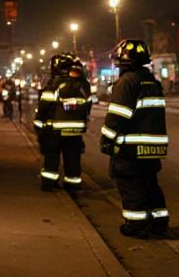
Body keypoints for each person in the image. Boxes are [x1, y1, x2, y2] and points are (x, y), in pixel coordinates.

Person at [100, 39, 169, 238]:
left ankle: (136, 225)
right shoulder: (152, 81)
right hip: (152, 148)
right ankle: (159, 222)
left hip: (130, 148)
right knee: (150, 184)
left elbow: (117, 116)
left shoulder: (127, 82)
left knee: (130, 185)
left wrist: (106, 140)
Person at [34, 54, 91, 192]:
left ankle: (49, 184)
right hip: (75, 131)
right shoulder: (83, 85)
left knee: (52, 158)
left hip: (54, 130)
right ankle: (73, 185)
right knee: (73, 159)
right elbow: (88, 106)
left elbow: (43, 107)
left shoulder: (54, 84)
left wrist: (38, 125)